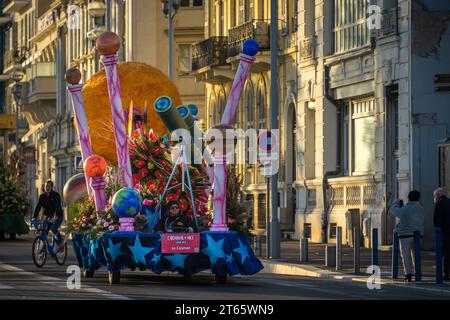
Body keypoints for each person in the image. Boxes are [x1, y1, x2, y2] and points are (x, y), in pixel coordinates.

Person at [390, 190, 425, 282]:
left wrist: (395, 203)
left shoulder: (405, 209)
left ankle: (408, 274)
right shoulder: (421, 208)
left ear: (409, 198)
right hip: (418, 235)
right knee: (415, 254)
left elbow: (395, 211)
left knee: (405, 255)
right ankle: (418, 272)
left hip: (405, 234)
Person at [32, 180, 65, 252]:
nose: (47, 188)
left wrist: (55, 217)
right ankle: (43, 248)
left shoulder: (56, 195)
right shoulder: (42, 196)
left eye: (49, 186)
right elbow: (38, 207)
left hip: (58, 215)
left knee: (53, 229)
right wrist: (34, 217)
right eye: (46, 186)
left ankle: (60, 243)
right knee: (44, 231)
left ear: (52, 187)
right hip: (49, 216)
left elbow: (57, 207)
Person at [433, 188, 450, 281]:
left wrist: (437, 229)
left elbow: (436, 218)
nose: (434, 198)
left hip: (443, 231)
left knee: (443, 253)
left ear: (438, 195)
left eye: (435, 196)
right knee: (447, 252)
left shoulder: (439, 203)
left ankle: (445, 273)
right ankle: (445, 272)